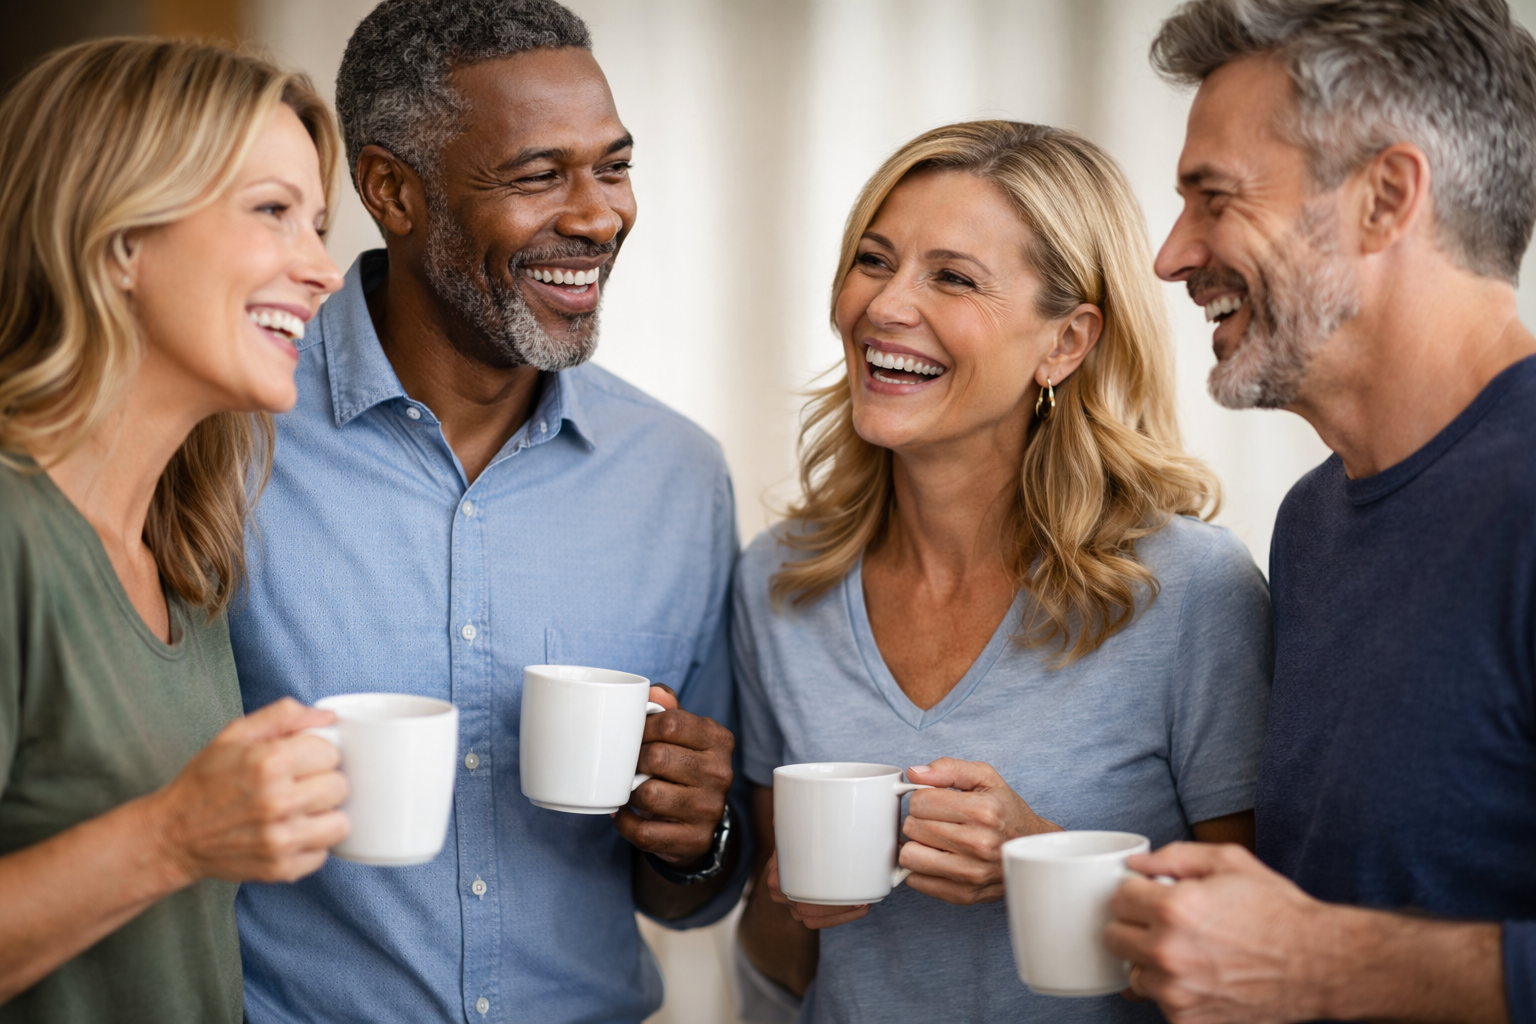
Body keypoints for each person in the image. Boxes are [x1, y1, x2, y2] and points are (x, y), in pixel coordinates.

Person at [227, 2, 750, 1021]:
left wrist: (699, 836)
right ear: (392, 191)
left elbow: (692, 900)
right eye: (539, 175)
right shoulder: (228, 439)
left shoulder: (677, 476)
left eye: (613, 166)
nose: (600, 217)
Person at [731, 120, 1273, 1024]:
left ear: (1065, 342)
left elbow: (1261, 954)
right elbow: (779, 967)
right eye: (874, 260)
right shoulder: (779, 584)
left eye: (952, 277)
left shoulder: (1191, 593)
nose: (885, 306)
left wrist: (1044, 860)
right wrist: (788, 894)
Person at [1104, 2, 1536, 1022]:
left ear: (1384, 198)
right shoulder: (1311, 524)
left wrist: (1329, 964)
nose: (1170, 256)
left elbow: (1316, 951)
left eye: (1212, 199)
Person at [0, 38, 348, 1024]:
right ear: (120, 239)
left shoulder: (184, 561)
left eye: (319, 225)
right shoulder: (13, 534)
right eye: (273, 211)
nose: (323, 270)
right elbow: (171, 842)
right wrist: (174, 836)